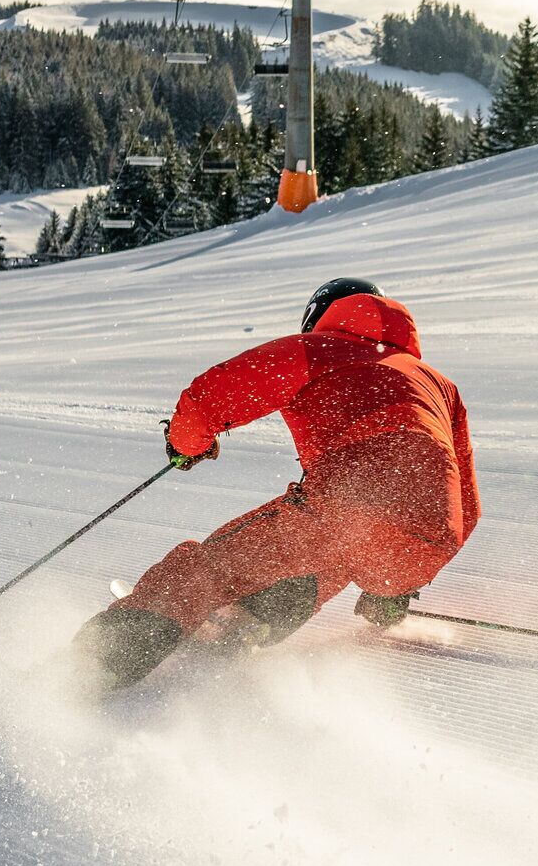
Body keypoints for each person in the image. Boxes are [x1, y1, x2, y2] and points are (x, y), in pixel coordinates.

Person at [85, 277, 480, 695]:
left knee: (207, 569)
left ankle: (89, 666)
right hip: (435, 535)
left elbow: (213, 395)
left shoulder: (321, 347)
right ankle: (250, 618)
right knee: (333, 556)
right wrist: (397, 582)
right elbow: (467, 506)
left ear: (319, 315)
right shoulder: (439, 384)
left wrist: (185, 444)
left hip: (345, 505)